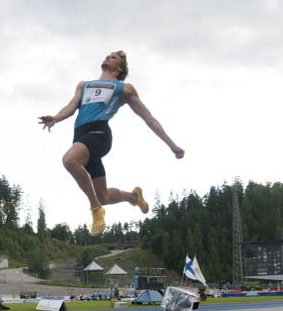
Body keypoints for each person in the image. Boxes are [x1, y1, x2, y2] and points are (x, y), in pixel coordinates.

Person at [38, 51, 185, 236]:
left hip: (99, 135)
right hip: (81, 137)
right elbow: (71, 106)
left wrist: (172, 145)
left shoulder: (124, 88)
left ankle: (95, 209)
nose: (108, 57)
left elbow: (148, 118)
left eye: (114, 57)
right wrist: (55, 118)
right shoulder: (84, 85)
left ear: (121, 68)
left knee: (69, 161)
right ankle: (133, 196)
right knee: (104, 196)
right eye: (108, 55)